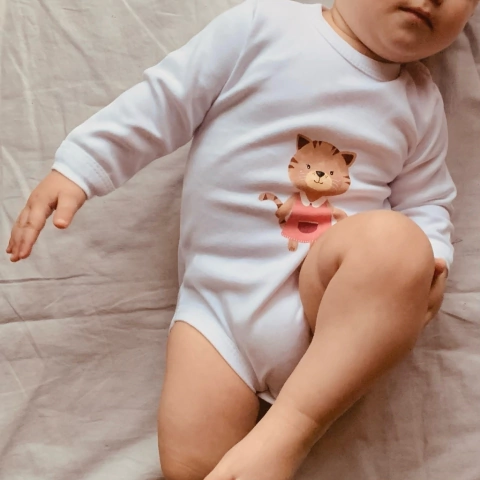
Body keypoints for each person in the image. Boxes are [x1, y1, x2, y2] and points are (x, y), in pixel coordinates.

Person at [6, 0, 477, 479]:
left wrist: (430, 260)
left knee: (398, 245)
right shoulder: (262, 28)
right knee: (191, 465)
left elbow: (428, 201)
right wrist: (81, 166)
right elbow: (165, 100)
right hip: (219, 310)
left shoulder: (420, 101)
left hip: (326, 308)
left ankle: (291, 430)